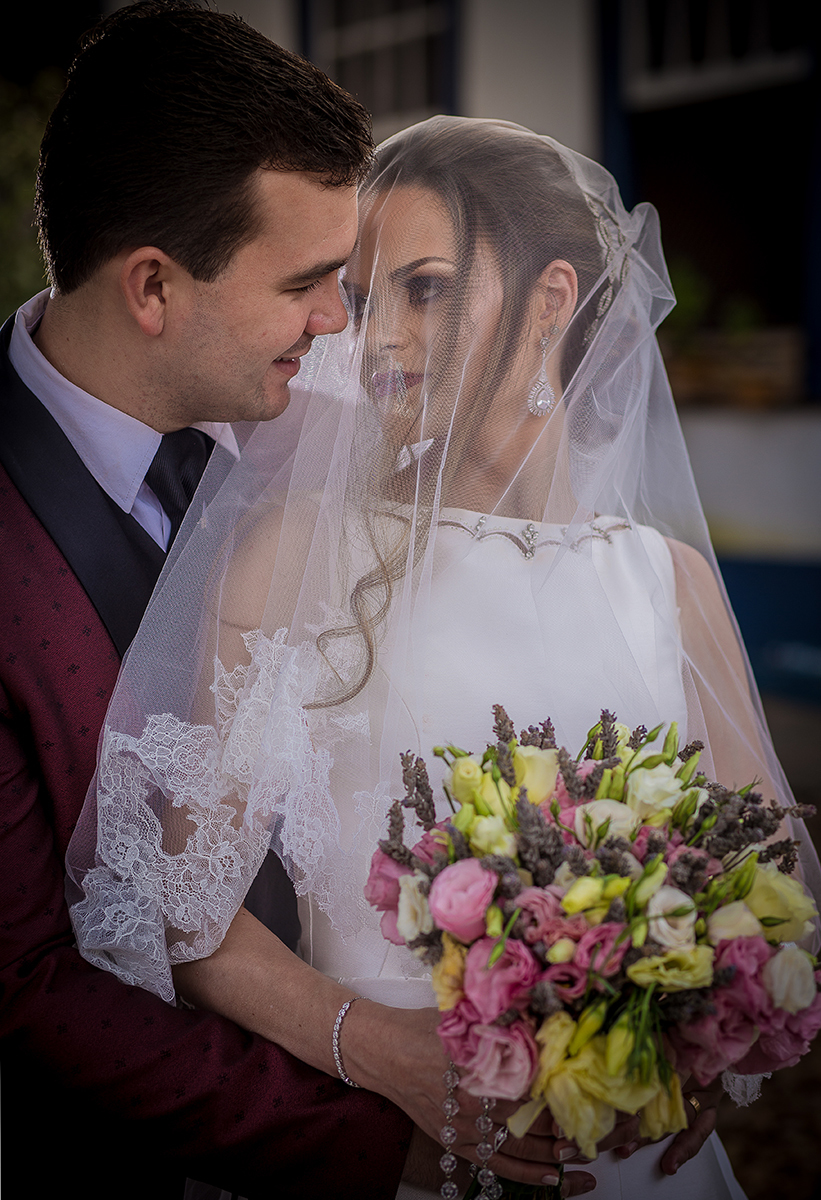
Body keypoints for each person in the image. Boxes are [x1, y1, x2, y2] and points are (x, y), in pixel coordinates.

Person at [67, 116, 821, 1198]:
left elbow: (770, 885)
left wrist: (705, 1030)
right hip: (395, 1147)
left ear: (551, 301)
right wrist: (369, 1045)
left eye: (422, 289)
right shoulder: (294, 559)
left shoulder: (667, 583)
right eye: (365, 302)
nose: (374, 341)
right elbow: (177, 906)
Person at [0, 2, 423, 1196]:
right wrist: (397, 1144)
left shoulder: (307, 433)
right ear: (152, 289)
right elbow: (28, 981)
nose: (338, 321)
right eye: (306, 282)